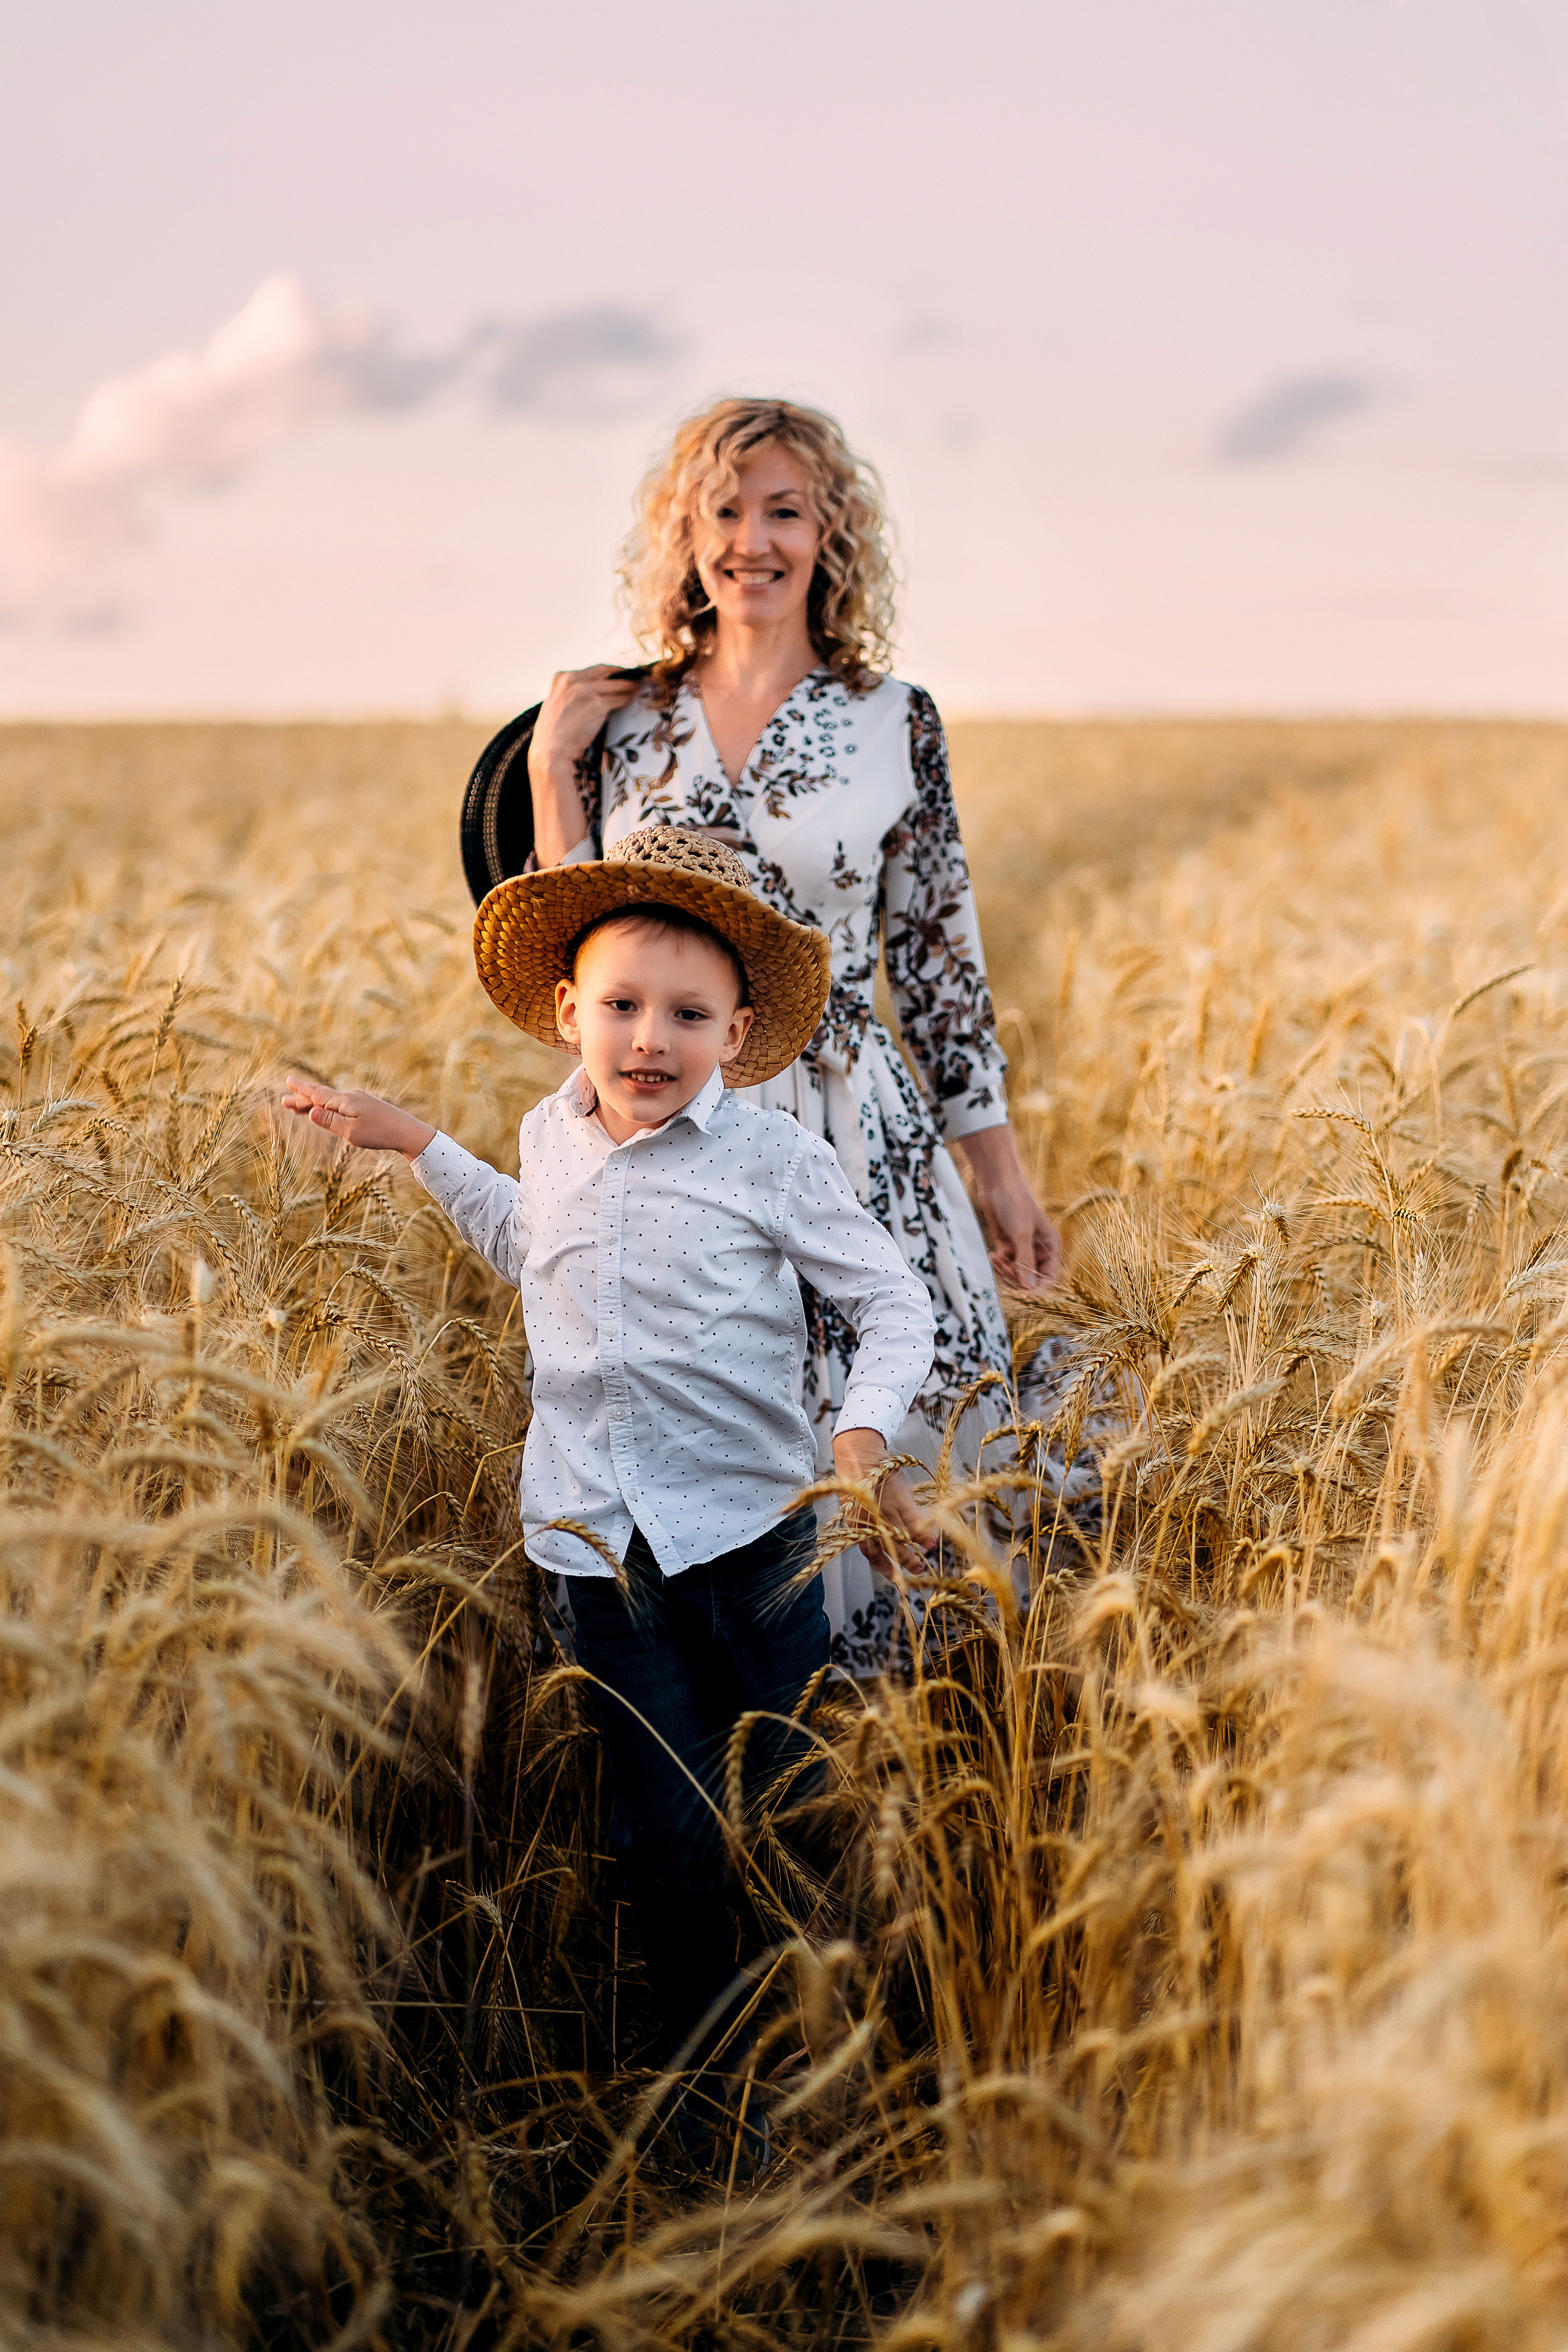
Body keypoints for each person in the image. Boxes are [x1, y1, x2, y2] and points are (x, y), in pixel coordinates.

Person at [282, 823, 935, 2164]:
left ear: (738, 1031)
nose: (649, 1039)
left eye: (687, 1014)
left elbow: (888, 1303)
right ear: (568, 1012)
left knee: (802, 1798)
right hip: (597, 1546)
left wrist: (861, 1443)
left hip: (755, 1538)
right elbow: (531, 1242)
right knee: (664, 1830)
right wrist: (414, 1145)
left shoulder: (767, 1163)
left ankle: (850, 2045)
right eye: (622, 1007)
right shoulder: (550, 1134)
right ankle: (708, 2083)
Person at [510, 396, 1065, 1673]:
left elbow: (938, 961)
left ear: (829, 535)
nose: (749, 540)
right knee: (691, 1454)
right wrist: (552, 773)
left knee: (894, 1455)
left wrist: (1001, 1177)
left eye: (782, 511)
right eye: (721, 512)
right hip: (673, 1132)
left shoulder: (889, 718)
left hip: (854, 1124)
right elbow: (582, 940)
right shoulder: (626, 720)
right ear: (683, 536)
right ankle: (703, 1769)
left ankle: (886, 1784)